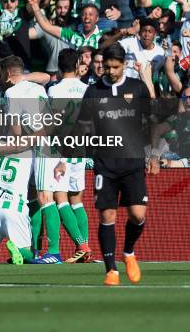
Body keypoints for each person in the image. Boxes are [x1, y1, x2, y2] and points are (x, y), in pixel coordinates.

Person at [77, 43, 160, 286]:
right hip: (105, 163)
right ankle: (111, 270)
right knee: (107, 215)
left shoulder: (137, 88)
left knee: (137, 214)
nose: (110, 71)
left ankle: (129, 252)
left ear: (124, 65)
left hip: (133, 161)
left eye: (115, 67)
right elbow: (83, 124)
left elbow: (153, 122)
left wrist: (154, 155)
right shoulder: (93, 92)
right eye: (106, 66)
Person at [48, 49, 92, 263]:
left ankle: (82, 245)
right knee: (77, 200)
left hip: (62, 150)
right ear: (77, 65)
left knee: (59, 198)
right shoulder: (87, 89)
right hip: (81, 148)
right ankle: (85, 249)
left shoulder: (54, 91)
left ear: (58, 66)